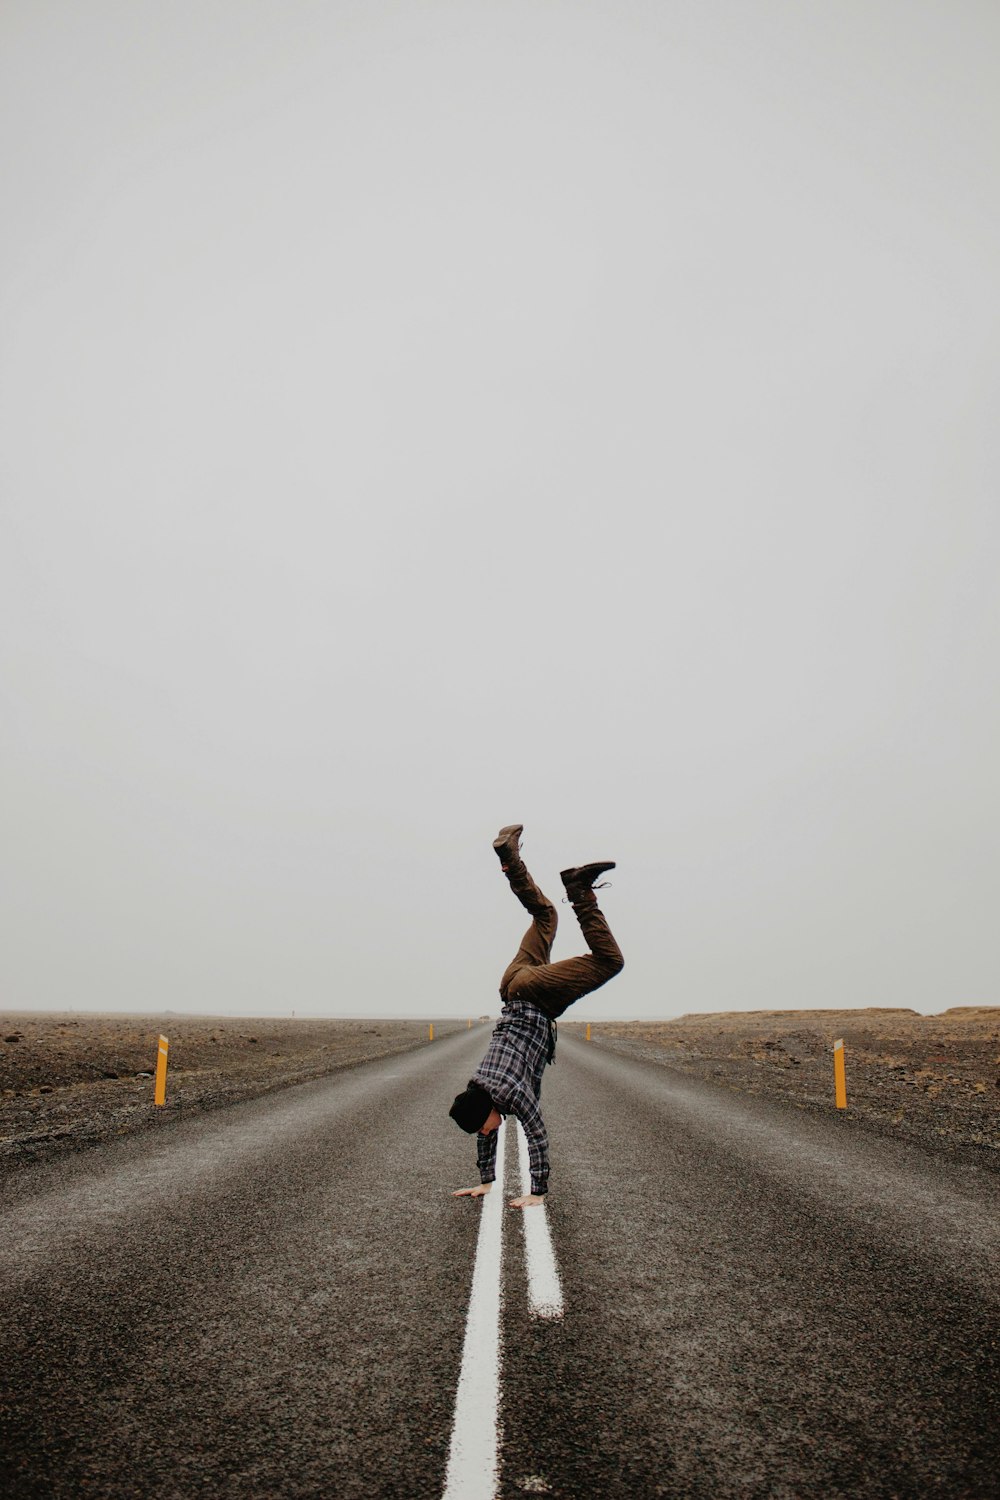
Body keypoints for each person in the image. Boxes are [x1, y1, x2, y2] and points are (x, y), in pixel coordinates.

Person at [449, 823, 624, 1209]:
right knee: (545, 915)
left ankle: (579, 889)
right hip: (512, 985)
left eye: (482, 1125)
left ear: (487, 1111)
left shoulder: (511, 1094)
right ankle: (510, 857)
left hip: (533, 996)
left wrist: (537, 1193)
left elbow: (536, 1134)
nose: (485, 1131)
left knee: (610, 961)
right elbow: (487, 1131)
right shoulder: (480, 1087)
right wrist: (486, 1182)